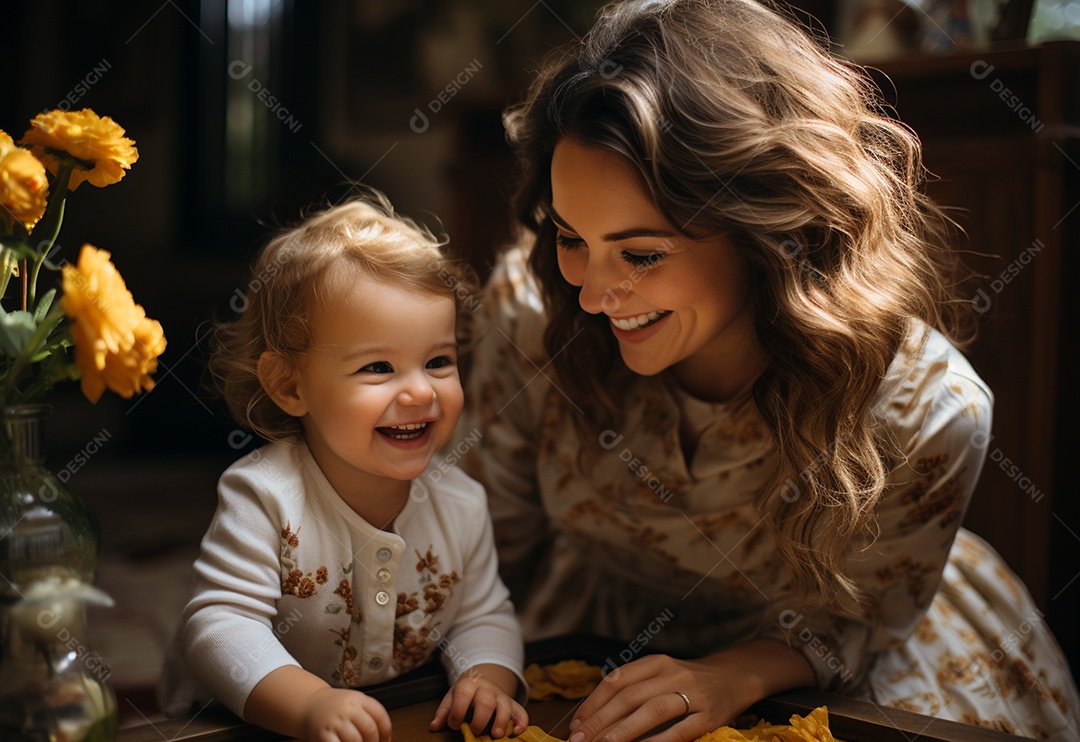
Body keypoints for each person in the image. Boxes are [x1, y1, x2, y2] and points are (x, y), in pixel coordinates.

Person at [457, 0, 1080, 740]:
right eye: (569, 237)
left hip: (838, 667)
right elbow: (491, 550)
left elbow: (851, 628)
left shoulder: (925, 405)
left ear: (767, 230)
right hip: (591, 635)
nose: (592, 294)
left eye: (642, 254)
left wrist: (736, 675)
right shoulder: (535, 315)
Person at [159, 193, 528, 742]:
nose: (421, 390)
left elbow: (484, 615)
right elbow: (219, 625)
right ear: (290, 385)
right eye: (378, 367)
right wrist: (307, 705)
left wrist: (487, 678)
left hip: (396, 712)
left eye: (438, 361)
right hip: (235, 724)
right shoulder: (265, 497)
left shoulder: (461, 502)